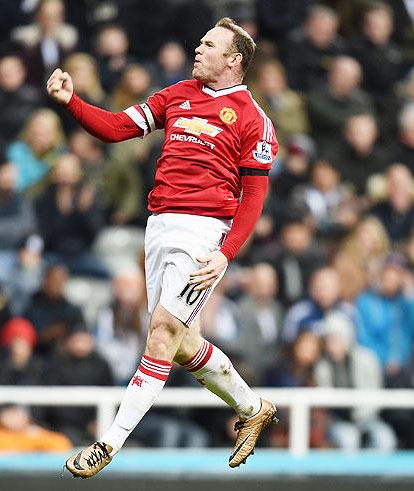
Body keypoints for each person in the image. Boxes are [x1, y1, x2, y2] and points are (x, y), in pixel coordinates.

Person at [47, 17, 278, 477]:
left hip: (202, 233)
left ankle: (109, 444)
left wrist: (225, 254)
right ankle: (253, 408)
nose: (198, 49)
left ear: (234, 60)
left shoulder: (253, 119)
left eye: (209, 45)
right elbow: (115, 128)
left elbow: (253, 196)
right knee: (182, 343)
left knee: (161, 334)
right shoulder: (177, 94)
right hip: (159, 228)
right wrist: (71, 101)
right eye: (200, 41)